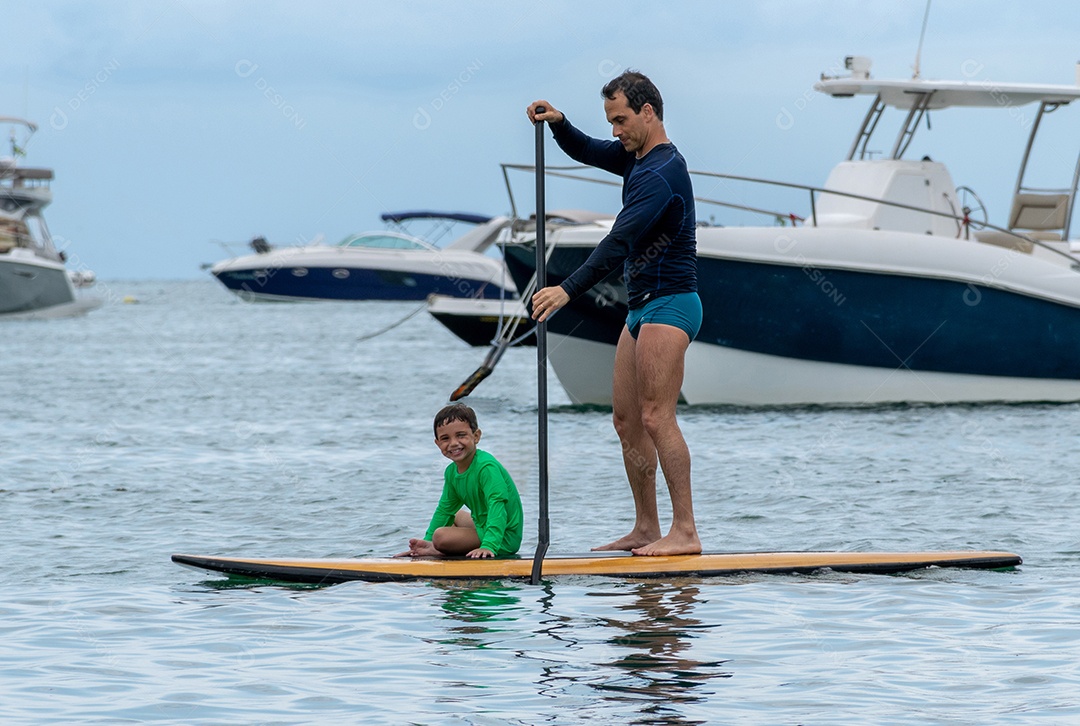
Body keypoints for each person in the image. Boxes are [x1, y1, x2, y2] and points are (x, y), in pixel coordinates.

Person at [527, 71, 702, 557]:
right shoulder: (635, 157)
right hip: (640, 308)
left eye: (621, 119)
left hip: (672, 304)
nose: (615, 131)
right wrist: (560, 123)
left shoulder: (663, 172)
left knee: (656, 416)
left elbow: (618, 242)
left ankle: (685, 531)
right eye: (610, 121)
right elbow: (589, 150)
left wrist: (567, 289)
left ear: (648, 112)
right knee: (626, 420)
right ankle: (647, 527)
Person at [395, 403, 523, 559]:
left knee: (441, 536)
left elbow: (497, 505)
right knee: (454, 516)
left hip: (504, 537)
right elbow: (445, 510)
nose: (454, 443)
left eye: (461, 435)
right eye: (445, 438)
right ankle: (435, 548)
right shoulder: (451, 472)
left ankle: (442, 548)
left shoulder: (486, 467)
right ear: (437, 443)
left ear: (476, 436)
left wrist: (489, 545)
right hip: (483, 526)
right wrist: (425, 543)